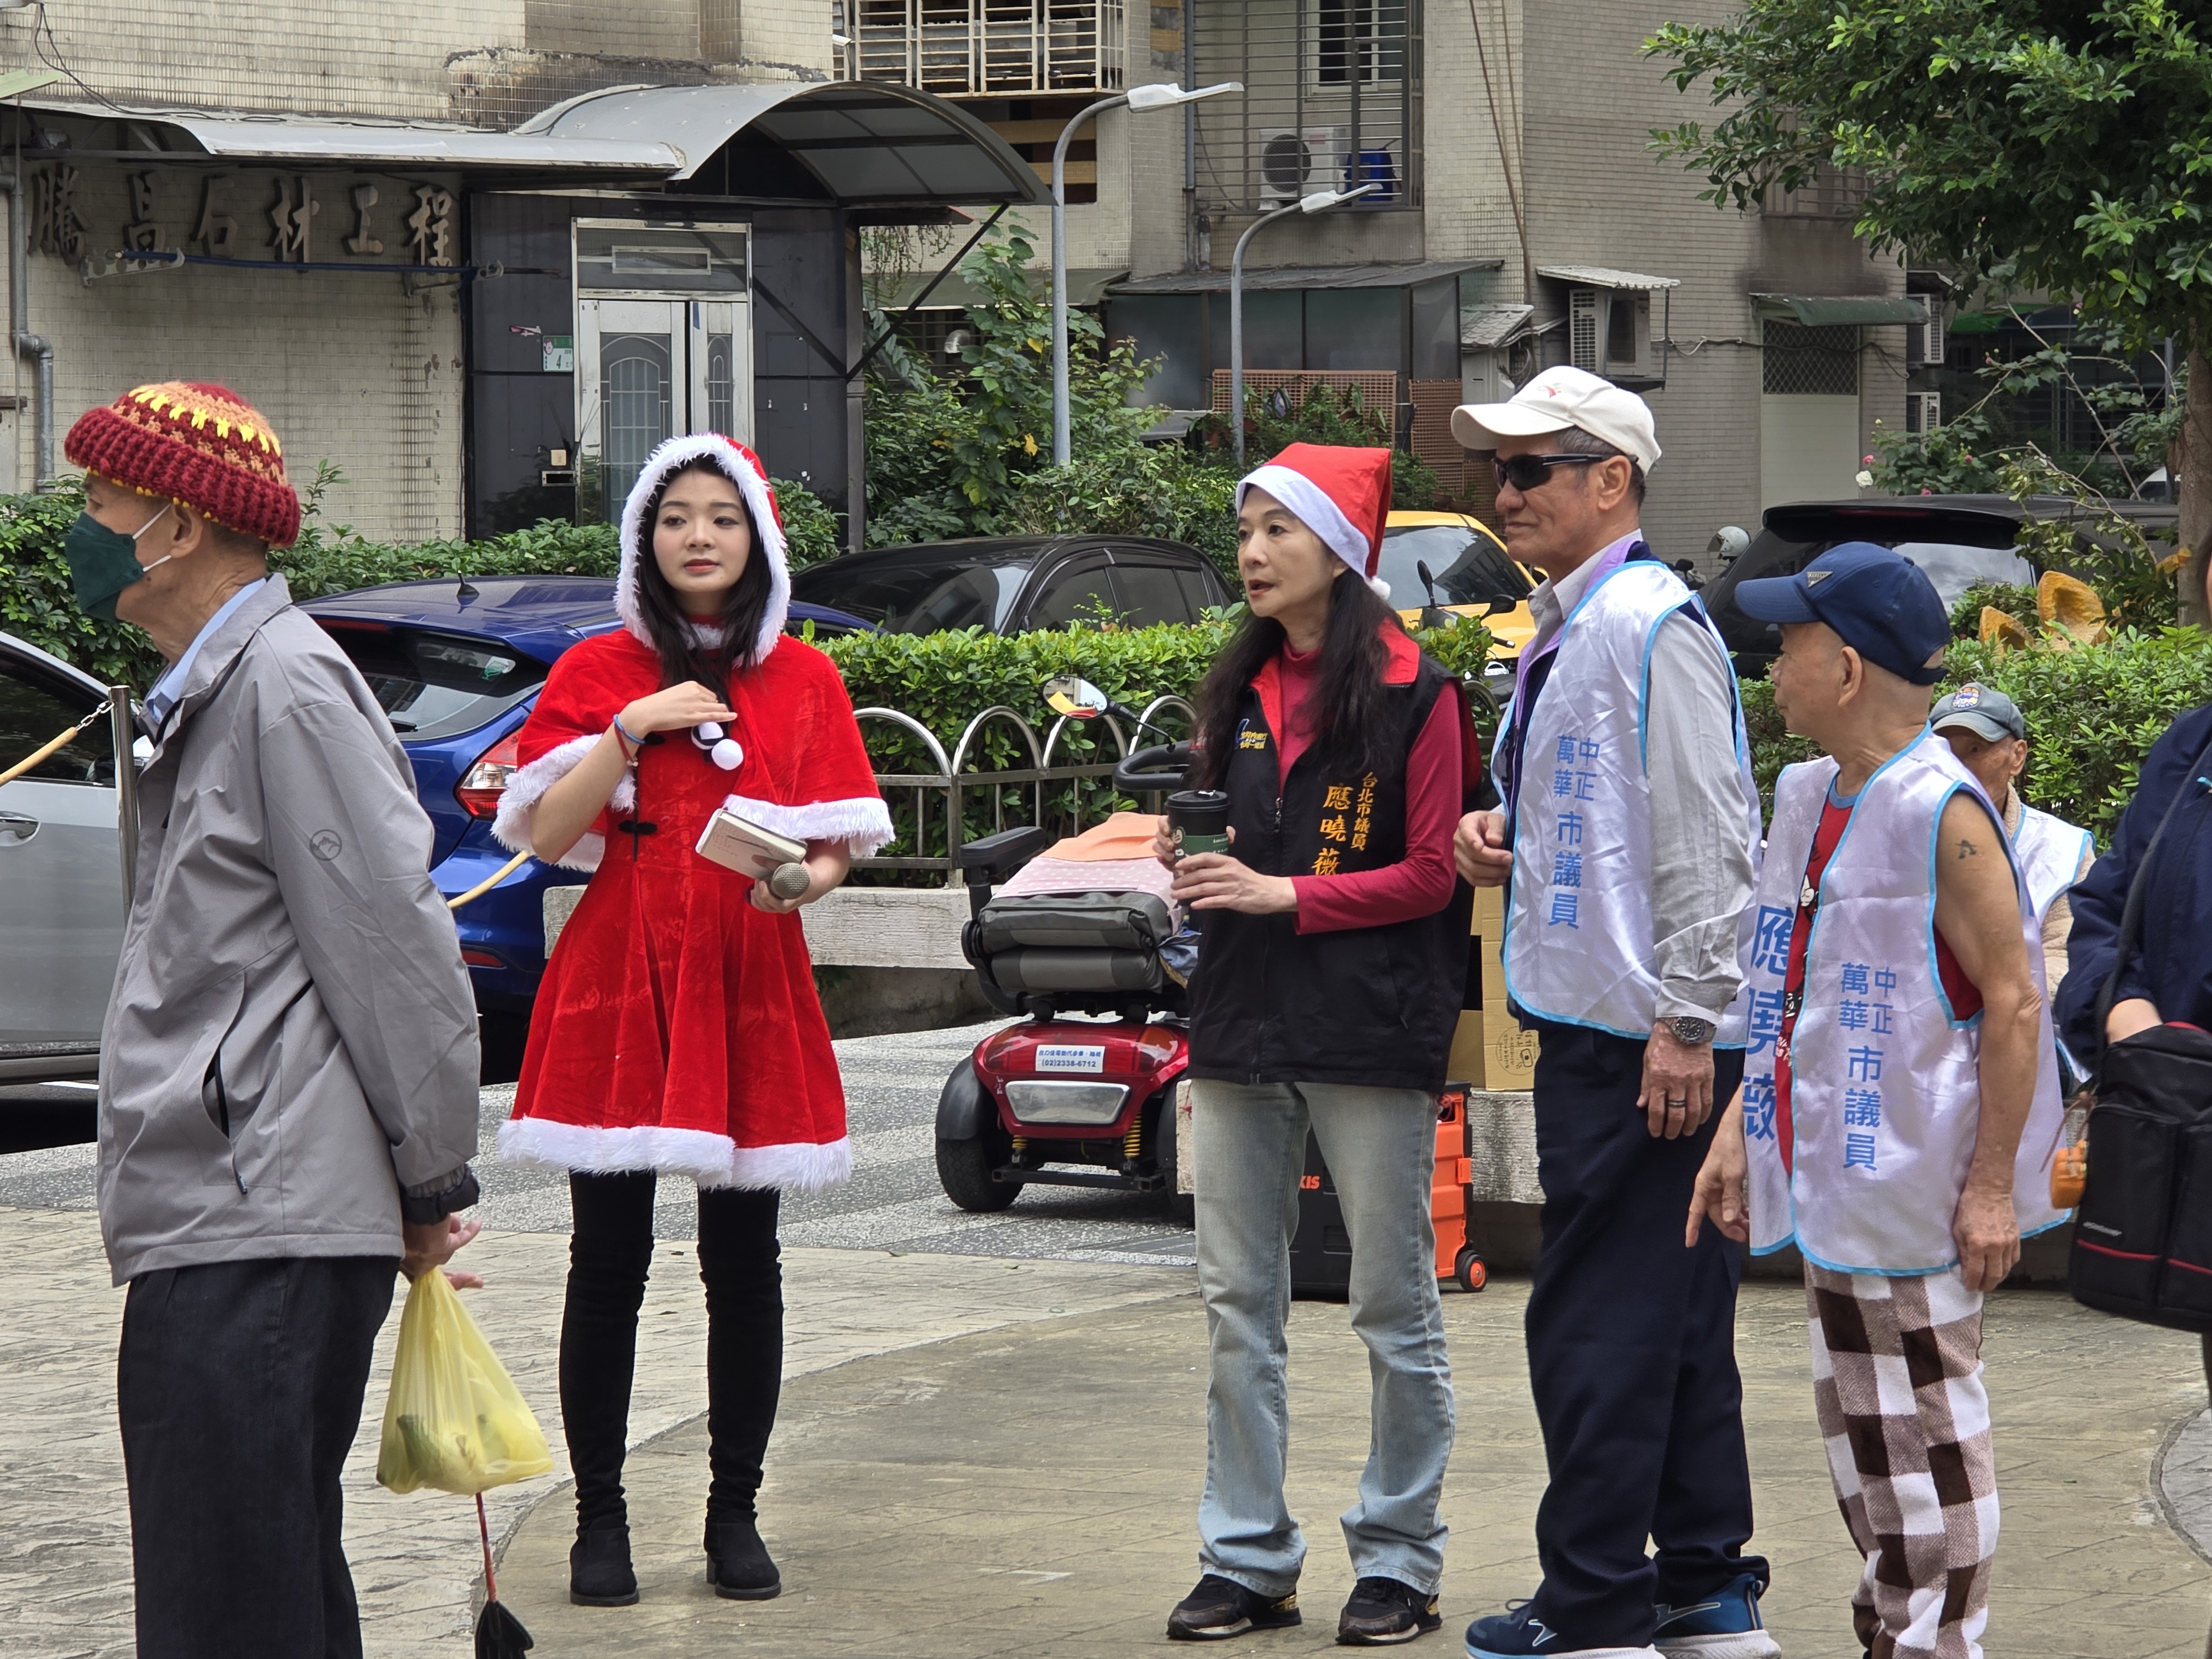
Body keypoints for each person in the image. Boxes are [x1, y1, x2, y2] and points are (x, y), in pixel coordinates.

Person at [70, 382, 483, 1659]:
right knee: (260, 1592)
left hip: (258, 1216)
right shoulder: (216, 690)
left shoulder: (285, 687)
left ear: (179, 524)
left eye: (100, 500)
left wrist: (431, 1175)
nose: (81, 526)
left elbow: (392, 946)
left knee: (230, 1605)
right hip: (231, 1211)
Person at [491, 433, 891, 1608]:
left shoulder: (804, 679)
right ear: (644, 540)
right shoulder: (599, 668)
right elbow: (542, 834)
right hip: (621, 966)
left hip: (748, 965)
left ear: (757, 539)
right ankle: (598, 1522)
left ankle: (734, 1515)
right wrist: (629, 727)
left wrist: (803, 880)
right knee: (605, 1264)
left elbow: (834, 847)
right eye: (675, 519)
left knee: (745, 1265)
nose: (699, 536)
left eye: (722, 517)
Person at [1688, 545, 2066, 1659]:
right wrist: (1738, 1129)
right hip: (1836, 1177)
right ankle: (1890, 1629)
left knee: (1930, 1433)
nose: (1773, 668)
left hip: (1916, 1182)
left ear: (1846, 668)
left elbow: (2014, 1004)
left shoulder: (1942, 809)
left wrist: (1990, 1189)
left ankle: (1937, 1644)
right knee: (1864, 1437)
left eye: (1789, 646)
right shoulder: (1810, 794)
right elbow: (1788, 989)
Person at [1449, 367, 1774, 1659]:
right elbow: (1612, 814)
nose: (1505, 492)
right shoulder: (1583, 619)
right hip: (1626, 1026)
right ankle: (1701, 1584)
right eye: (1499, 470)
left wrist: (1687, 1022)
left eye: (1532, 468)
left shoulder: (1646, 622)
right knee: (1673, 1319)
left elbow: (1709, 835)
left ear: (1611, 480)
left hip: (1642, 1040)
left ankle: (1590, 1604)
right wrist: (1508, 832)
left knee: (1594, 1320)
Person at [1157, 442, 1475, 1647]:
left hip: (1368, 1025)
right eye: (1244, 531)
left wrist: (1281, 893)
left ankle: (1398, 1559)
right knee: (1237, 1301)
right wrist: (1189, 860)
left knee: (1392, 1303)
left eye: (1275, 531)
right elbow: (1237, 843)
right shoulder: (1236, 686)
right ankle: (1246, 1559)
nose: (1251, 553)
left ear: (1338, 552)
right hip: (1239, 1017)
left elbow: (1434, 872)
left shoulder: (1416, 690)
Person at [1931, 684, 2094, 991]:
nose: (1957, 768)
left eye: (1975, 750)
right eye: (1946, 752)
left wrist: (2001, 1004)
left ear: (2017, 756)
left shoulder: (2063, 849)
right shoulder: (1903, 837)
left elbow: (2065, 955)